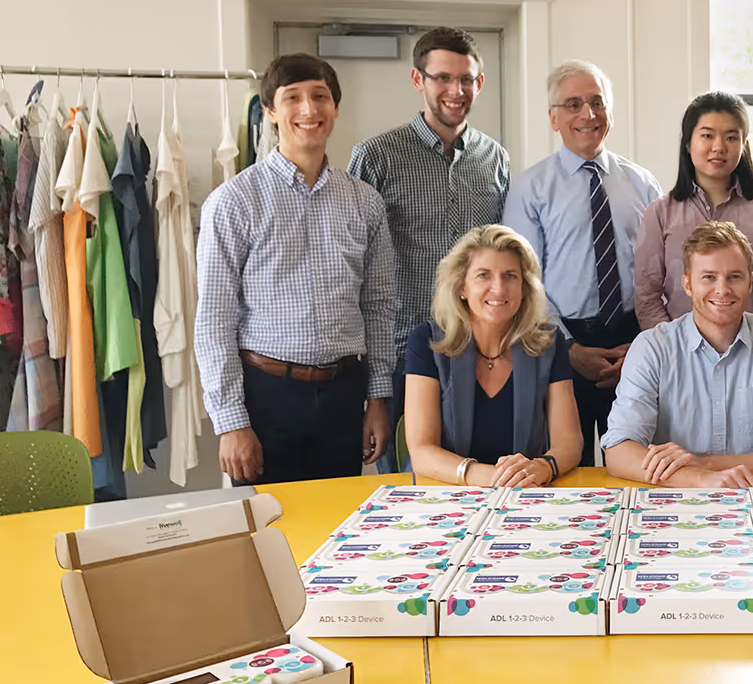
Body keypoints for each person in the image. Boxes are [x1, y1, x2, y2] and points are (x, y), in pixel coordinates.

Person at [195, 54, 396, 483]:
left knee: (340, 530)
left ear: (336, 108)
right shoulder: (233, 202)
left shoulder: (364, 202)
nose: (309, 110)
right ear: (270, 111)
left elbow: (379, 307)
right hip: (265, 396)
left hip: (344, 394)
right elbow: (214, 319)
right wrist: (231, 422)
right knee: (268, 534)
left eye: (320, 97)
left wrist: (378, 399)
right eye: (292, 98)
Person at [348, 27, 511, 464]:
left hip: (478, 352)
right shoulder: (377, 157)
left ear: (479, 83)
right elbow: (355, 266)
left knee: (471, 479)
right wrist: (372, 382)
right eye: (442, 78)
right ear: (418, 80)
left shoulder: (495, 159)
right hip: (400, 350)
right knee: (404, 484)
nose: (456, 91)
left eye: (466, 80)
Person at [502, 61, 660, 465]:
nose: (587, 115)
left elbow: (658, 273)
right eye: (573, 104)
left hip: (632, 341)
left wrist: (642, 346)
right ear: (553, 118)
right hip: (560, 342)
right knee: (565, 465)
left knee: (634, 463)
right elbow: (525, 280)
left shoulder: (642, 183)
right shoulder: (530, 188)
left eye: (597, 102)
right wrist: (568, 349)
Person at [603, 221, 753, 488]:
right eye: (708, 277)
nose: (722, 289)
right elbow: (618, 451)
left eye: (734, 277)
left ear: (750, 282)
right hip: (672, 503)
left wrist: (704, 463)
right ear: (687, 284)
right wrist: (698, 478)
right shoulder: (651, 348)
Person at [405, 225, 582, 487]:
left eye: (511, 276)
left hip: (523, 496)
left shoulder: (550, 343)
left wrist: (542, 468)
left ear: (525, 287)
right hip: (443, 497)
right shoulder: (427, 341)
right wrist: (493, 478)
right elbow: (422, 452)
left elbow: (569, 443)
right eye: (483, 276)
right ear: (461, 286)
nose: (498, 289)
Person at [633, 91, 753, 328]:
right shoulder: (660, 213)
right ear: (688, 143)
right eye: (707, 135)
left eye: (731, 137)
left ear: (743, 144)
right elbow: (646, 295)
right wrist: (672, 347)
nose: (718, 147)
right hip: (680, 355)